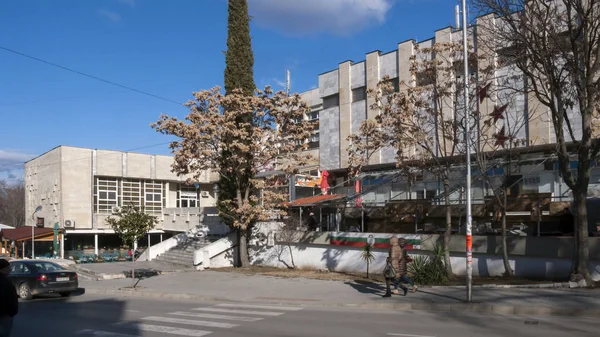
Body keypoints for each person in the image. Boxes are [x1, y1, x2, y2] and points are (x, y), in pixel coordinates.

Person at [0, 259, 18, 337]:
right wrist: (12, 312)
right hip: (4, 314)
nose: (10, 271)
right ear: (2, 270)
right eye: (8, 269)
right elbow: (10, 300)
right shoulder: (6, 283)